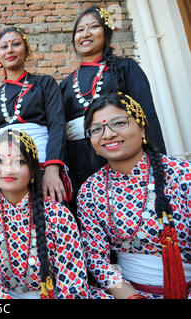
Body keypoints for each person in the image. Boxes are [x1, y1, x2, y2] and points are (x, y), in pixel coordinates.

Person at [77, 92, 190, 299]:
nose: (108, 134)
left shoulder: (182, 175)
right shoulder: (90, 190)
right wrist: (131, 296)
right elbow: (95, 256)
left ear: (142, 127)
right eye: (97, 129)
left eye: (118, 123)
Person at [60, 6, 166, 209]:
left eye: (93, 27)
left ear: (106, 33)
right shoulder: (65, 84)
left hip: (126, 158)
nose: (86, 34)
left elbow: (147, 116)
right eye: (80, 30)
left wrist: (157, 163)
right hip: (81, 166)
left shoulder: (125, 68)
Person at [0, 129, 88, 299]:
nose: (8, 169)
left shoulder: (59, 215)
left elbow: (73, 283)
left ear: (33, 170)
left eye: (19, 161)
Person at [0, 27, 70, 209]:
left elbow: (57, 124)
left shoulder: (45, 84)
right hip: (4, 171)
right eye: (4, 47)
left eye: (16, 44)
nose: (10, 50)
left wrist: (52, 168)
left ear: (27, 51)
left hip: (41, 166)